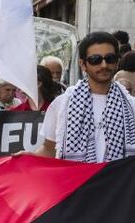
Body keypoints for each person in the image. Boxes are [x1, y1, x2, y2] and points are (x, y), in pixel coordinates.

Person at [33, 32, 135, 162]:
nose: (104, 65)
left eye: (110, 58)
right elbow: (49, 149)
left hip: (118, 175)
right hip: (77, 175)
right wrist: (27, 159)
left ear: (117, 61)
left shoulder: (131, 106)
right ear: (83, 64)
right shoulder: (62, 105)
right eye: (95, 60)